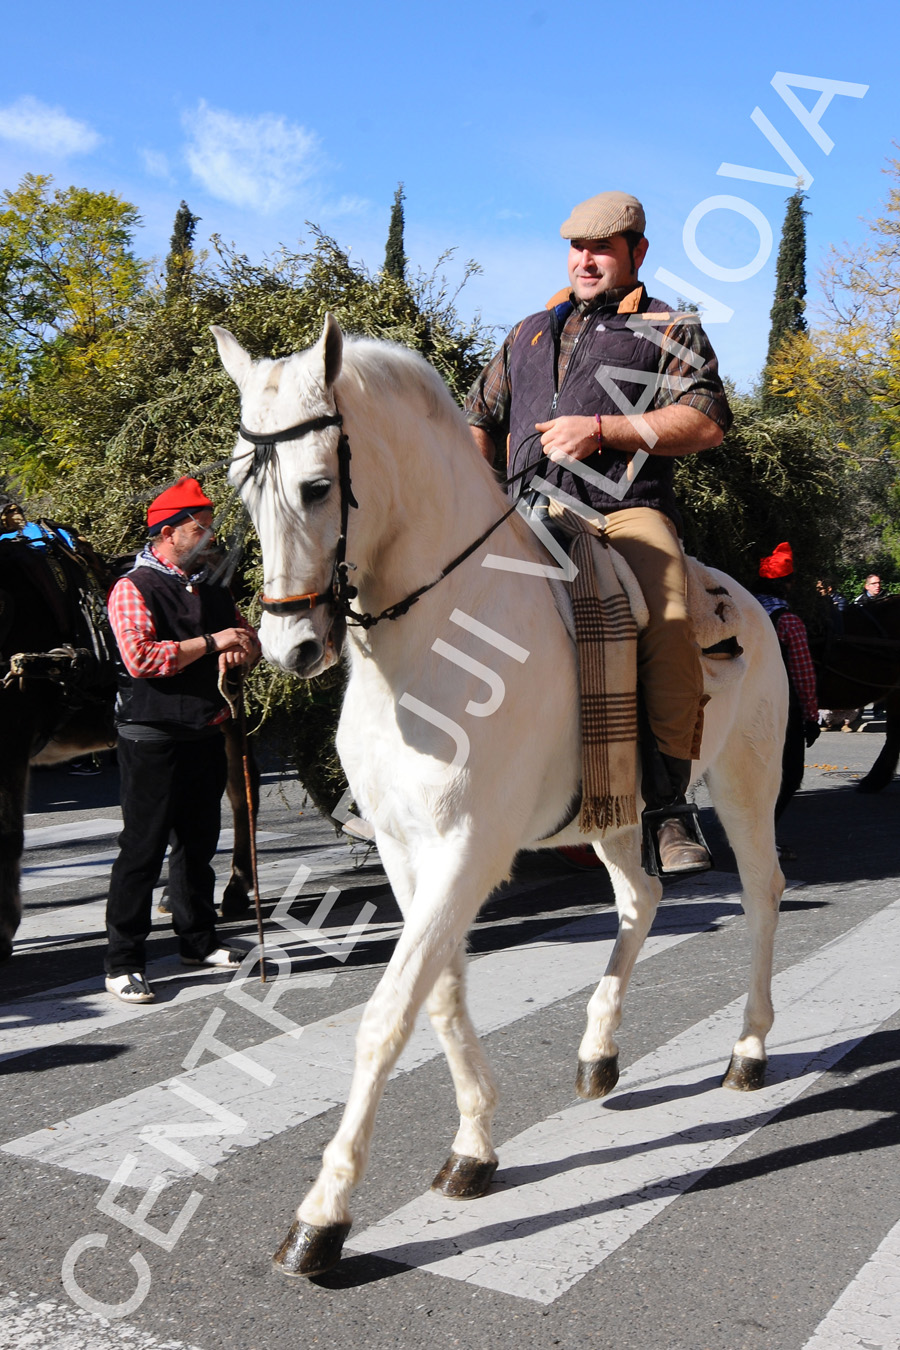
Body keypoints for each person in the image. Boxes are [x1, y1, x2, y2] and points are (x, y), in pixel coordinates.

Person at [465, 191, 732, 875]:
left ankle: (668, 804)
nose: (586, 260)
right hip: (524, 514)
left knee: (668, 618)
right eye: (577, 247)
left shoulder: (671, 327)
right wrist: (475, 490)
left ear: (636, 252)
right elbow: (478, 418)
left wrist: (604, 430)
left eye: (602, 248)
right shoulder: (528, 330)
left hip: (622, 514)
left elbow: (704, 421)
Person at [103, 477, 261, 1004]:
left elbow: (245, 636)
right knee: (142, 849)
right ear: (169, 533)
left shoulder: (211, 585)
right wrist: (214, 642)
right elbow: (142, 659)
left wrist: (241, 650)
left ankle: (197, 940)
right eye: (201, 529)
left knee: (198, 842)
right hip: (152, 734)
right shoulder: (133, 588)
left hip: (204, 726)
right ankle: (123, 960)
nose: (209, 537)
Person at [754, 543, 820, 832]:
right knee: (789, 775)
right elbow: (803, 676)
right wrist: (811, 716)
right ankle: (763, 835)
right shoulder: (789, 623)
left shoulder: (745, 614)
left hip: (744, 706)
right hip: (780, 710)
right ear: (787, 585)